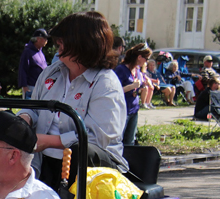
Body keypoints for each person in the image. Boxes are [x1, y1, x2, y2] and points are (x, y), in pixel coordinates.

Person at [18, 11, 128, 189]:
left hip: (92, 173)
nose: (57, 45)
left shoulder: (106, 83)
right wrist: (24, 119)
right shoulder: (52, 72)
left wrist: (47, 141)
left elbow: (97, 140)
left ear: (84, 43)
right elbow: (32, 107)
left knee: (81, 151)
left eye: (63, 41)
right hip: (46, 162)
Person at [114, 43, 152, 146]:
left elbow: (136, 85)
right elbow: (114, 91)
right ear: (139, 57)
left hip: (134, 109)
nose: (146, 62)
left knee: (130, 141)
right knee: (119, 139)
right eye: (146, 59)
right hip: (123, 110)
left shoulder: (137, 70)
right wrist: (131, 86)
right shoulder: (121, 70)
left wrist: (141, 86)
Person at [18, 28, 49, 99]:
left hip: (41, 86)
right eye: (45, 39)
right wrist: (25, 88)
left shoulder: (40, 52)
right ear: (38, 39)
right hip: (31, 86)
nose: (46, 41)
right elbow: (23, 70)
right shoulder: (28, 52)